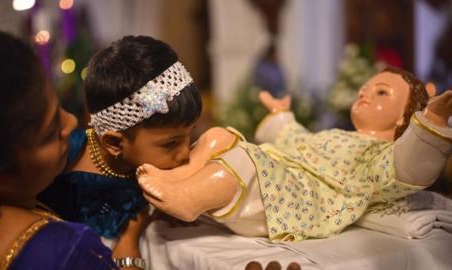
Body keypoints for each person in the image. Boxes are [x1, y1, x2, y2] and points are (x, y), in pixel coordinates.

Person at [137, 67, 452, 241]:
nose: (366, 95)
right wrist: (281, 118)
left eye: (381, 92)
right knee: (219, 135)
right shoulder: (336, 136)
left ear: (404, 117)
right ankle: (176, 180)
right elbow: (297, 140)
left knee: (245, 162)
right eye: (362, 91)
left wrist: (429, 125)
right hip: (284, 176)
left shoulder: (381, 155)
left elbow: (409, 168)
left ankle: (190, 199)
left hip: (302, 201)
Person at [38, 35, 202, 264]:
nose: (186, 154)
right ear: (114, 143)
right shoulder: (62, 166)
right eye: (171, 143)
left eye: (191, 135)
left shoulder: (156, 161)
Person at [0, 28, 120, 269]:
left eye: (60, 104)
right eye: (51, 132)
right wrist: (131, 246)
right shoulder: (66, 254)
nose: (71, 121)